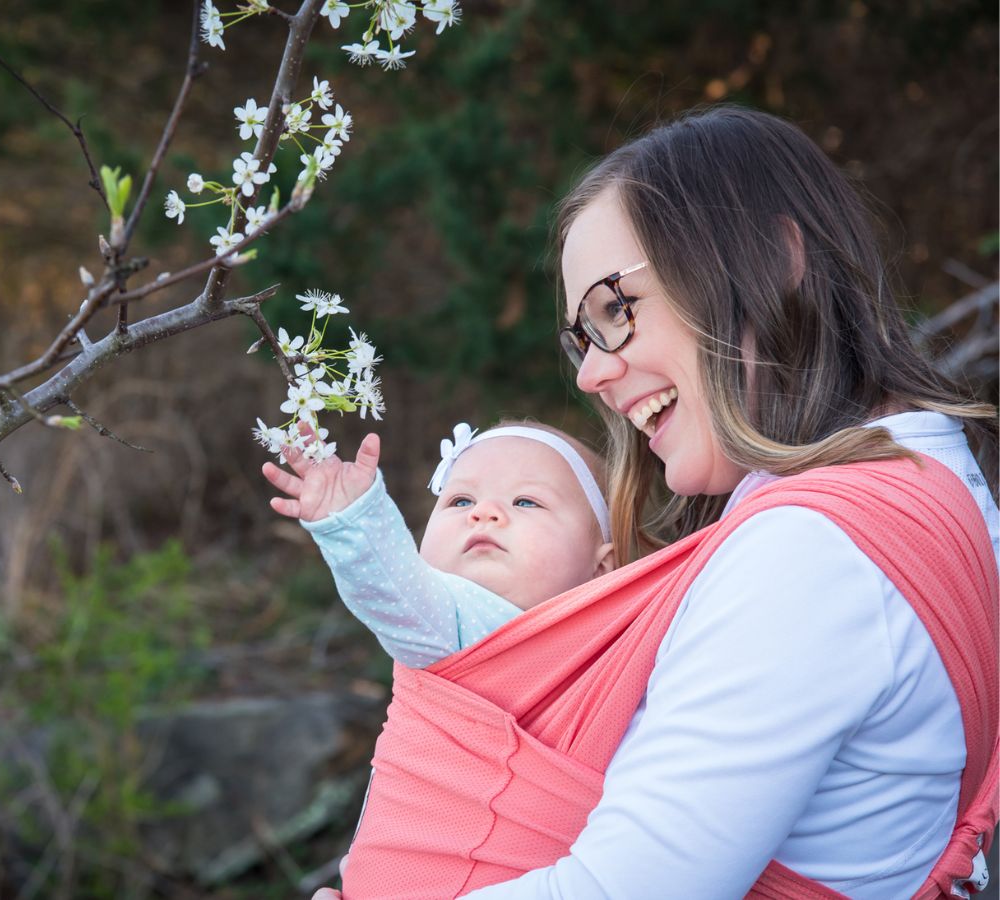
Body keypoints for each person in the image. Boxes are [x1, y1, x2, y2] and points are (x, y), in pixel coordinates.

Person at [312, 106, 999, 899]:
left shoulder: (810, 553)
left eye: (617, 310)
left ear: (773, 263)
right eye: (582, 337)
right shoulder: (933, 481)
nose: (590, 375)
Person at [261, 420, 616, 668]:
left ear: (601, 568)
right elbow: (393, 590)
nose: (483, 512)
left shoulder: (627, 650)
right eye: (461, 501)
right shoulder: (451, 623)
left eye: (525, 501)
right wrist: (354, 521)